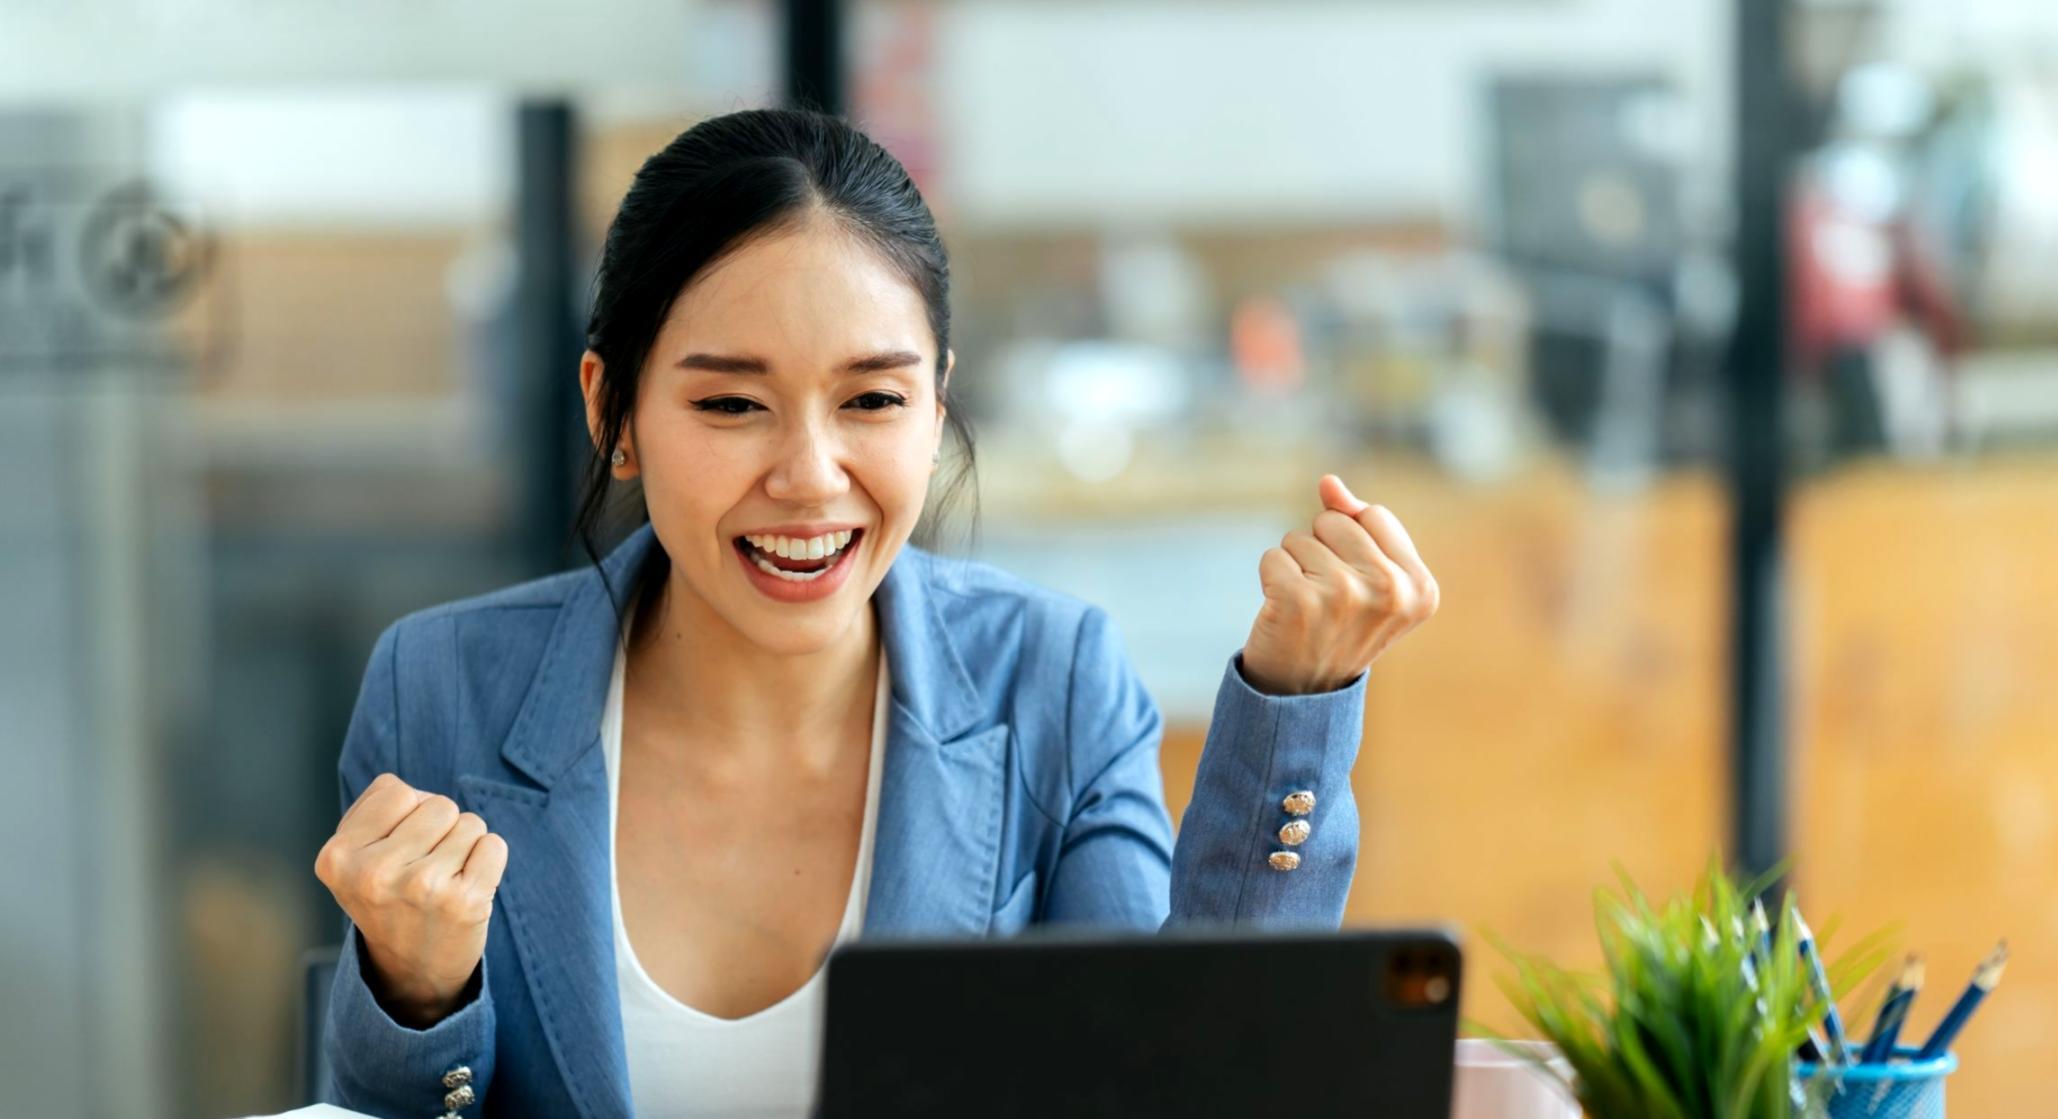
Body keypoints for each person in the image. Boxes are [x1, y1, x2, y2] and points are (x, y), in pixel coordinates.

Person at [310, 108, 1439, 1119]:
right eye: (732, 403)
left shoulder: (1051, 678)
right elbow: (378, 1112)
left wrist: (1294, 708)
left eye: (872, 400)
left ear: (938, 402)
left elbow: (1192, 1086)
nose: (810, 476)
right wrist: (416, 995)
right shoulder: (442, 691)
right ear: (617, 411)